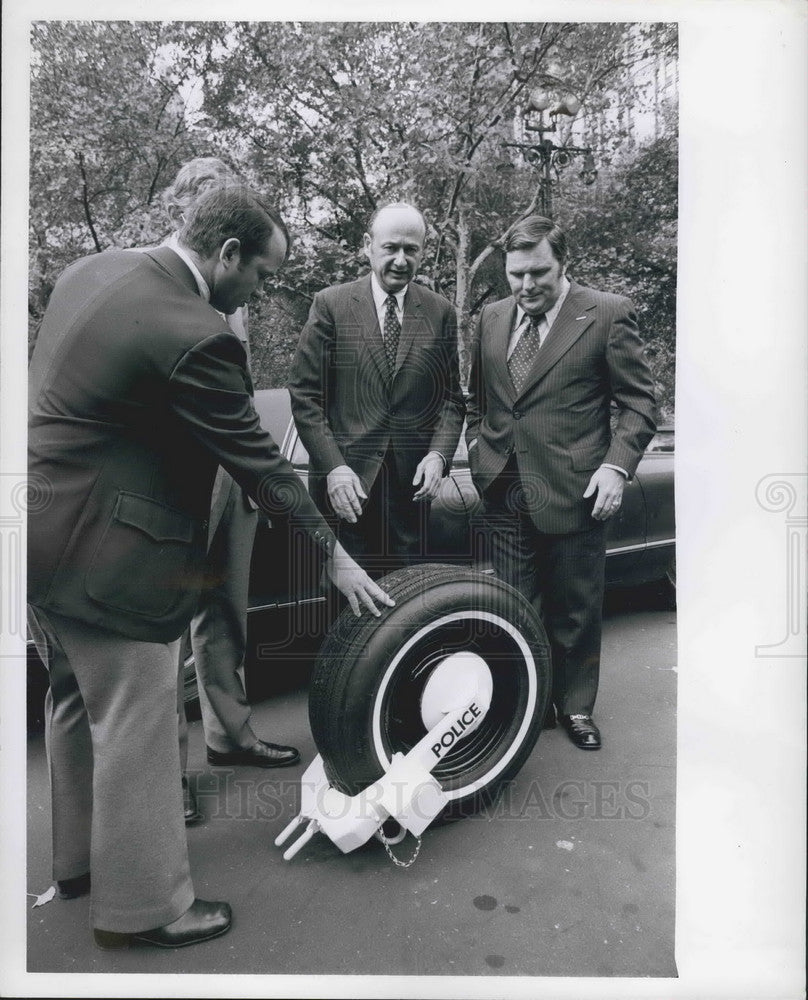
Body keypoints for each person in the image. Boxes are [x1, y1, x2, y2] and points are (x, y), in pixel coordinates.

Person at [27, 185, 392, 949]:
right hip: (109, 559)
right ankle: (146, 909)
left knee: (73, 701)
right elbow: (260, 462)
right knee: (138, 717)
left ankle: (79, 864)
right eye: (262, 273)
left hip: (35, 535)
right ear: (227, 254)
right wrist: (334, 555)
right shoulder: (199, 333)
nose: (262, 289)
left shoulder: (94, 271)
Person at [465, 215, 656, 751]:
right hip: (503, 488)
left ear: (563, 264)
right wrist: (482, 453)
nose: (526, 286)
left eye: (539, 273)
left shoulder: (607, 314)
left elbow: (641, 403)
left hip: (577, 491)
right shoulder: (492, 317)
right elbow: (481, 399)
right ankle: (527, 705)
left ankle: (575, 708)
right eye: (516, 274)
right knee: (516, 607)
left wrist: (615, 467)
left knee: (574, 608)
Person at [158, 160, 299, 810]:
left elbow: (237, 392)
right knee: (164, 633)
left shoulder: (230, 288)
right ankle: (167, 775)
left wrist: (253, 476)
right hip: (175, 481)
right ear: (188, 209)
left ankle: (230, 734)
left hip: (228, 475)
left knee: (224, 614)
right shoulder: (162, 283)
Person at [288, 202, 465, 575]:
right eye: (391, 248)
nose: (401, 259)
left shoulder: (440, 312)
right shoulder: (331, 305)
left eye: (411, 250)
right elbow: (305, 396)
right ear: (368, 245)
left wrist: (438, 456)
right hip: (345, 491)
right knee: (341, 607)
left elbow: (451, 399)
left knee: (404, 604)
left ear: (423, 252)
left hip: (409, 493)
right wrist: (334, 468)